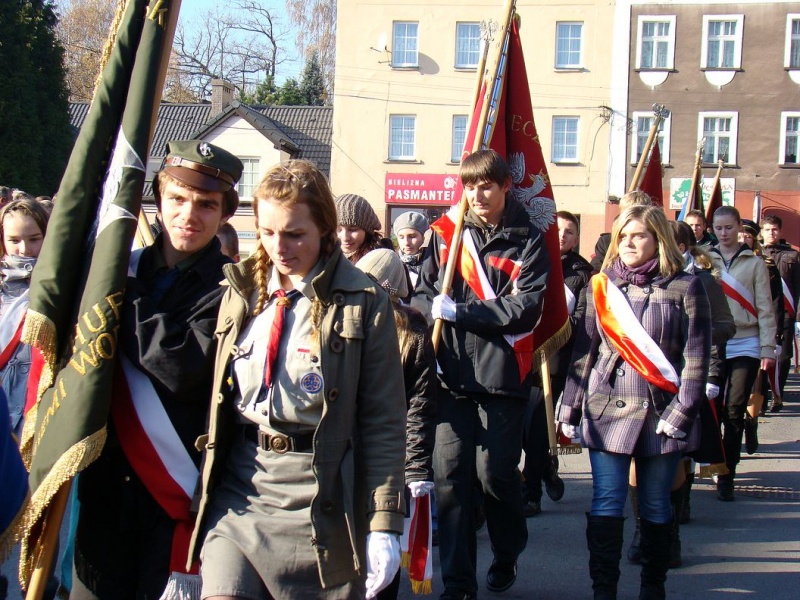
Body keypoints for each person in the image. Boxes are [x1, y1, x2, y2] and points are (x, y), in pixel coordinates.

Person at [191, 160, 407, 600]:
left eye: (294, 234)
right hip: (241, 492)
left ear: (325, 229)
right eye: (267, 232)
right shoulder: (242, 290)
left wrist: (385, 520)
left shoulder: (366, 302)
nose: (279, 247)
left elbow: (384, 421)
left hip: (325, 500)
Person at [72, 140, 243, 599]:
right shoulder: (116, 269)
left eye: (207, 204)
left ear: (226, 214)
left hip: (170, 498)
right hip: (103, 487)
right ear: (157, 202)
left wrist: (121, 294)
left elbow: (183, 365)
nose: (190, 214)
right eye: (177, 199)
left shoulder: (234, 290)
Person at [412, 149, 550, 599]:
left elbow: (524, 307)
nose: (477, 195)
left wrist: (462, 312)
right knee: (450, 481)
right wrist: (427, 309)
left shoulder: (528, 238)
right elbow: (424, 296)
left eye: (486, 185)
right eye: (469, 186)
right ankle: (458, 582)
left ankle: (507, 551)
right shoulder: (445, 236)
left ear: (505, 185)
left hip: (501, 379)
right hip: (450, 378)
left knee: (495, 476)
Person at [558, 205, 711, 600]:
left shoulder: (686, 286)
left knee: (655, 503)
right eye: (622, 235)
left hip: (662, 412)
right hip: (607, 407)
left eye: (638, 235)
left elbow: (696, 358)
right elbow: (583, 351)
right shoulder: (602, 285)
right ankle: (603, 591)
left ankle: (652, 588)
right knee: (606, 500)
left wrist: (683, 411)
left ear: (658, 239)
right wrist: (570, 408)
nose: (627, 243)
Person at [355, 248, 437, 600]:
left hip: (390, 459)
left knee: (383, 545)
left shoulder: (413, 335)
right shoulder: (338, 323)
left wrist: (416, 466)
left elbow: (420, 407)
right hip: (345, 453)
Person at [521, 210, 592, 516]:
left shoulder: (582, 272)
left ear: (577, 238)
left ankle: (531, 490)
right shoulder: (531, 259)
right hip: (521, 351)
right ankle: (549, 461)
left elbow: (583, 318)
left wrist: (556, 329)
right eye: (558, 229)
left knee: (536, 423)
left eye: (570, 231)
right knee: (520, 425)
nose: (563, 235)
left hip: (554, 358)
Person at [708, 207, 776, 501]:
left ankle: (727, 474)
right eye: (719, 228)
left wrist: (767, 347)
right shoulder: (704, 258)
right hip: (713, 343)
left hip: (745, 341)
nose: (724, 233)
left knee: (734, 410)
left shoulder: (755, 263)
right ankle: (713, 460)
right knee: (714, 409)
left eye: (729, 227)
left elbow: (765, 307)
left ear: (739, 228)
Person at [0, 198, 50, 438]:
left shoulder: (59, 284)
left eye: (33, 239)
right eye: (14, 240)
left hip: (37, 388)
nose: (24, 250)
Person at [760, 214, 800, 411]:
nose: (771, 233)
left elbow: (798, 286)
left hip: (785, 312)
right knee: (763, 355)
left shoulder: (792, 255)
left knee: (783, 356)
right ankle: (763, 394)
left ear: (780, 231)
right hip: (761, 311)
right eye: (767, 229)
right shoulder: (755, 253)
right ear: (761, 231)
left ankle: (778, 393)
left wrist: (798, 315)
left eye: (774, 229)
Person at [590, 191, 652, 272]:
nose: (628, 243)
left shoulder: (656, 239)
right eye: (623, 237)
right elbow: (597, 266)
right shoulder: (606, 241)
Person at [335, 194, 385, 264]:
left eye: (352, 229)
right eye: (338, 229)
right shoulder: (321, 260)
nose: (345, 238)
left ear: (367, 231)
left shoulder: (380, 262)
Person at [392, 211, 429, 290]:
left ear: (423, 237)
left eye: (412, 236)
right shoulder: (392, 263)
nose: (406, 243)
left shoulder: (432, 263)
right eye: (401, 237)